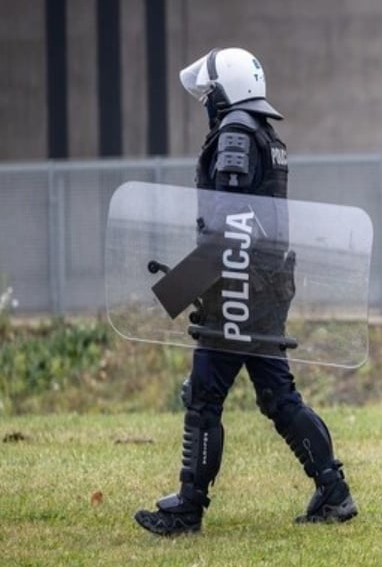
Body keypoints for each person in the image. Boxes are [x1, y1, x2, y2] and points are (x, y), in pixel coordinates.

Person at [134, 48, 357, 535]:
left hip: (237, 287)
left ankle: (188, 507)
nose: (206, 103)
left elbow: (229, 229)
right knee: (279, 397)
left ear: (226, 91)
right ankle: (334, 491)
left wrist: (179, 289)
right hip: (262, 286)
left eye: (209, 94)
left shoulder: (235, 133)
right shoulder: (264, 134)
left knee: (204, 397)